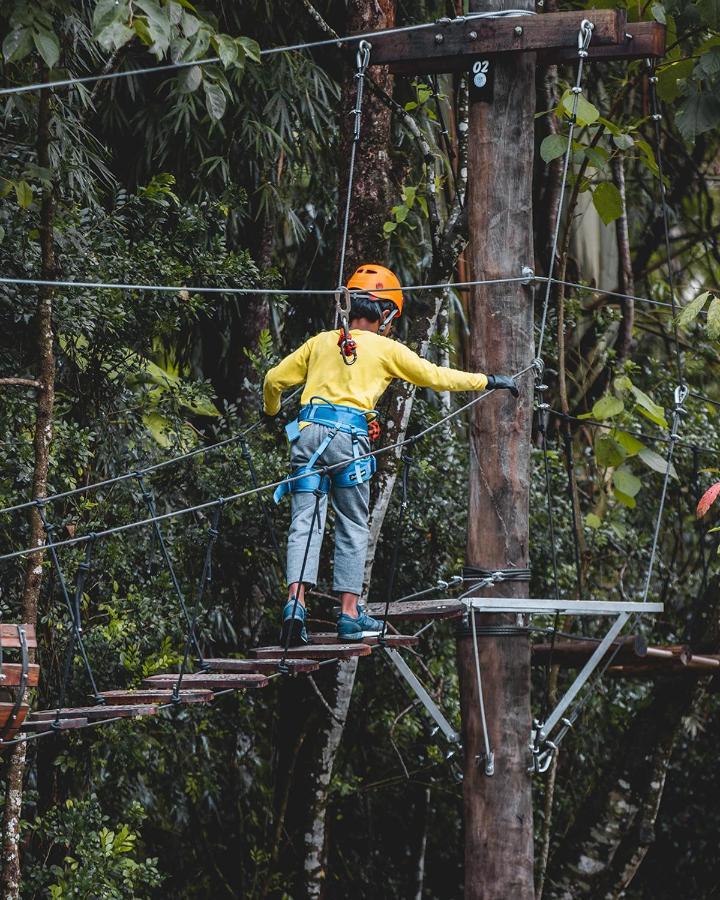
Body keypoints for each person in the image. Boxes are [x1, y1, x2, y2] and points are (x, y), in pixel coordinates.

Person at [263, 264, 519, 646]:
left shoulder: (320, 342)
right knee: (351, 522)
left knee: (306, 521)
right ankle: (349, 615)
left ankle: (295, 605)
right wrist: (488, 381)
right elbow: (438, 376)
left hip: (308, 436)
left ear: (349, 305)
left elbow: (272, 381)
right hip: (349, 439)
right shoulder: (386, 348)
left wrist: (270, 412)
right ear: (386, 313)